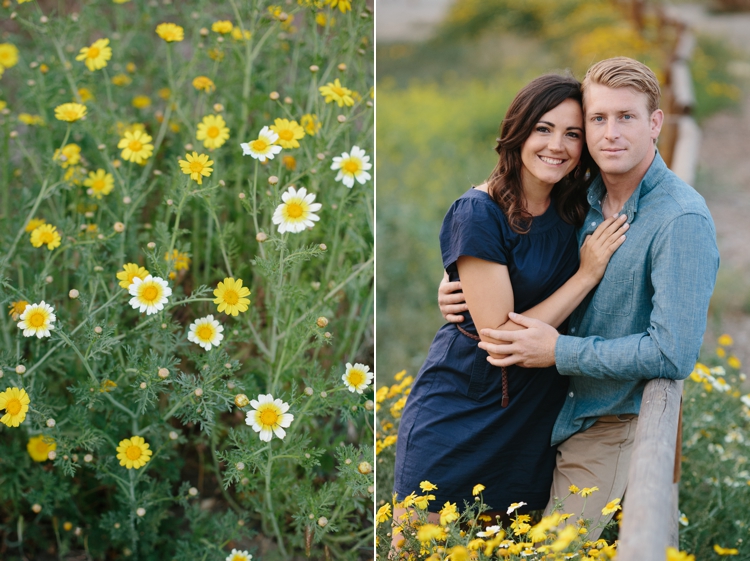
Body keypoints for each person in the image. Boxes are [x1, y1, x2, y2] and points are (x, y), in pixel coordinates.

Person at [438, 57, 719, 538]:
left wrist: (558, 351)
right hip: (541, 411)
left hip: (605, 422)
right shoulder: (579, 195)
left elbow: (673, 351)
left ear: (655, 123)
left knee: (553, 550)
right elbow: (507, 247)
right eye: (597, 119)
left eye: (626, 117)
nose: (611, 133)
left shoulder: (680, 221)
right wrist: (456, 285)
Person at [391, 73, 630, 548]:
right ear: (517, 132)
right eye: (543, 129)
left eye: (573, 133)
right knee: (420, 550)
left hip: (532, 418)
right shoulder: (478, 212)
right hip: (462, 408)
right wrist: (585, 275)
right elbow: (499, 335)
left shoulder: (576, 208)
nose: (557, 145)